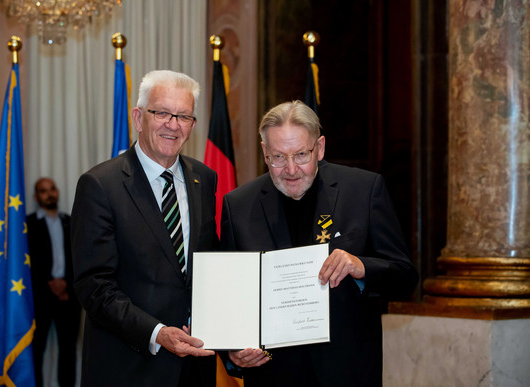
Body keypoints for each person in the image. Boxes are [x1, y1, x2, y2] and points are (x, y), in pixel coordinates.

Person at [220, 100, 419, 386]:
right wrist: (231, 350)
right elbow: (228, 294)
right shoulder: (238, 205)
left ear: (320, 147)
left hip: (347, 371)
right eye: (278, 156)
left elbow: (404, 276)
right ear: (264, 151)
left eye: (301, 154)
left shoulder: (363, 190)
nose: (290, 169)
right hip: (272, 374)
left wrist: (360, 266)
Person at [71, 70, 218, 387]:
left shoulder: (204, 179)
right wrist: (157, 333)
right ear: (138, 118)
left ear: (192, 125)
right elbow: (94, 286)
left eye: (183, 116)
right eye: (162, 112)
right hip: (128, 367)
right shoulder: (100, 185)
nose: (173, 124)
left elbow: (210, 265)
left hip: (194, 368)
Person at [27, 177, 81, 387]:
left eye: (52, 189)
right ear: (36, 196)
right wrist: (52, 284)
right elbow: (29, 262)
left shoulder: (70, 221)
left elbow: (78, 257)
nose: (49, 194)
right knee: (36, 350)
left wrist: (66, 284)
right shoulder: (28, 224)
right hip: (40, 297)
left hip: (69, 296)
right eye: (43, 191)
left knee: (68, 350)